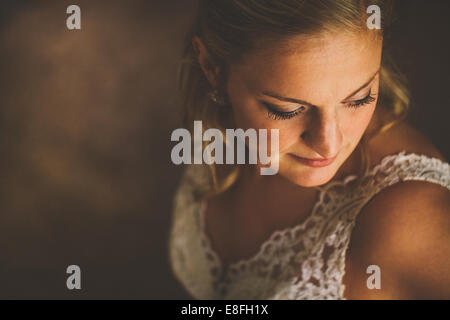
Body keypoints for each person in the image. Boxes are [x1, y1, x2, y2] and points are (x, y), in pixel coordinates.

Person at [168, 0, 450, 299]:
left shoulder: (412, 219)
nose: (329, 144)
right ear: (211, 67)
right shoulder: (221, 135)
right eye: (287, 109)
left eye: (359, 98)